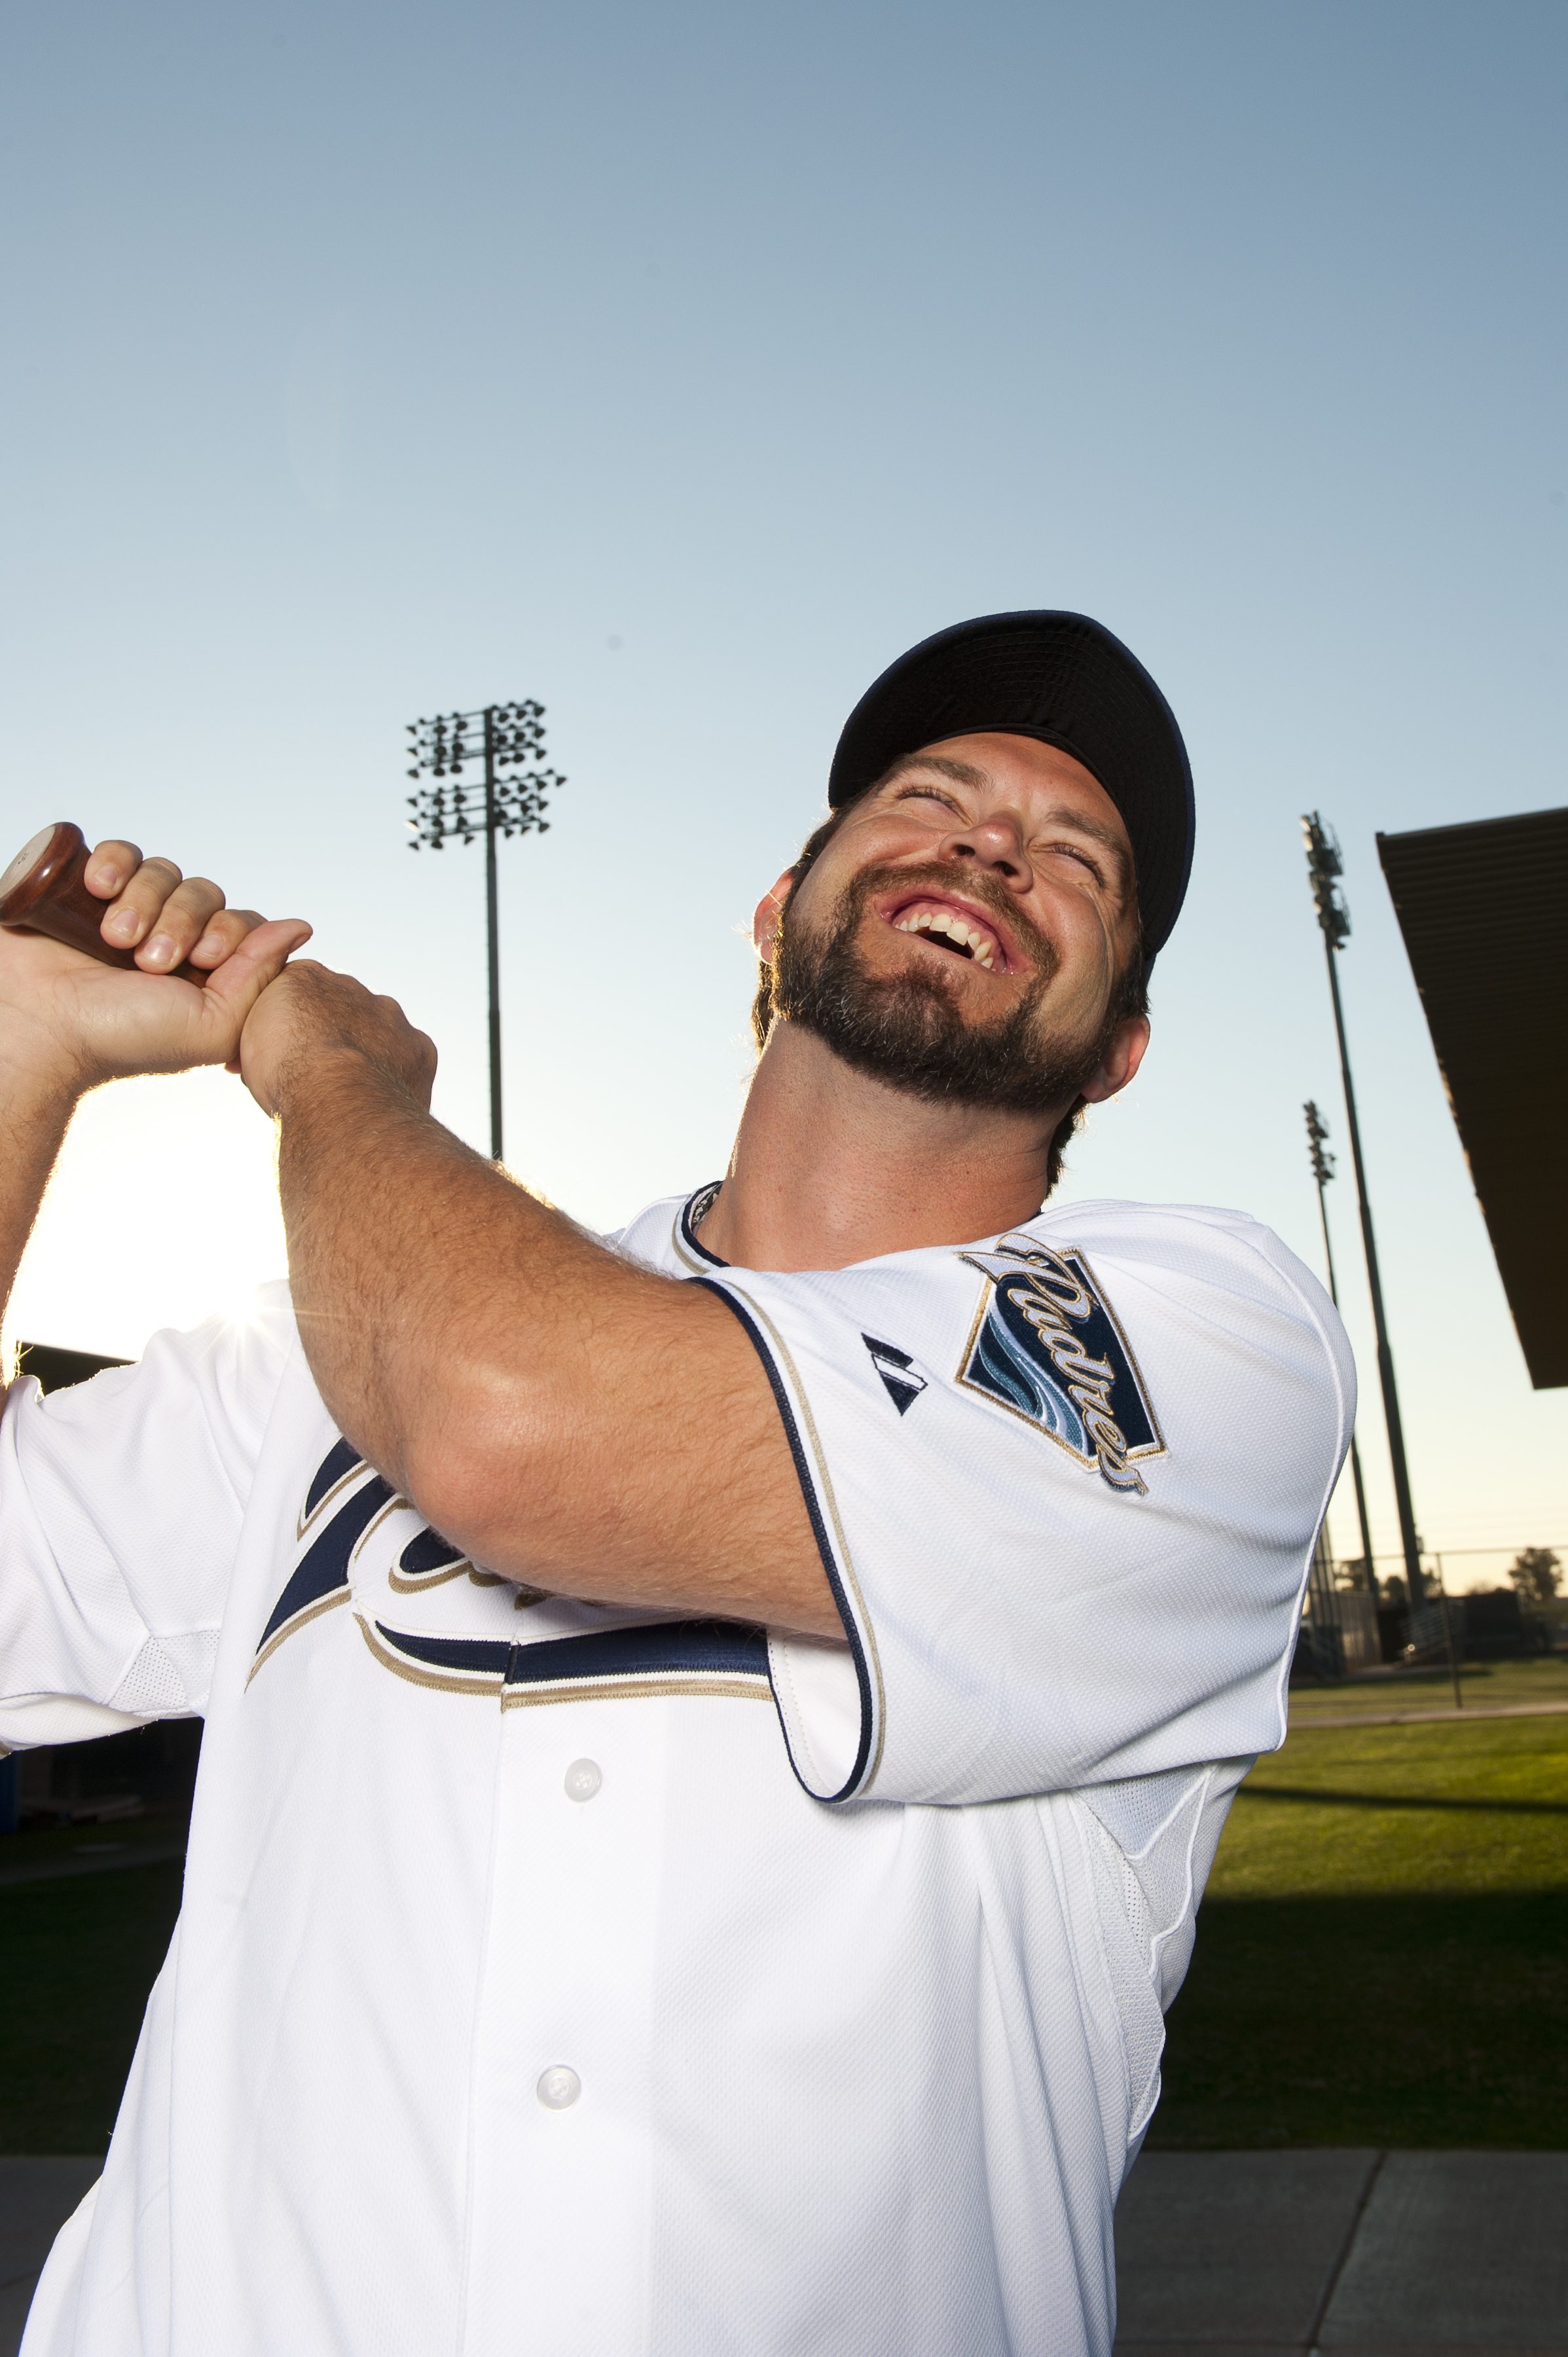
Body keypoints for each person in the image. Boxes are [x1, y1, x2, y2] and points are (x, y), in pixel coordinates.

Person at [1, 612, 1353, 2357]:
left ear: (1118, 1051)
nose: (992, 840)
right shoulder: (318, 1351)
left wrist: (335, 1073)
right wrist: (23, 1054)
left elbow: (512, 1426)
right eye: (930, 793)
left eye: (1077, 857)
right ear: (776, 911)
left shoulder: (1199, 1343)